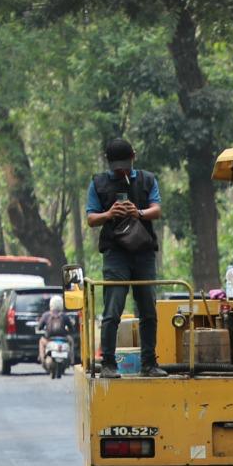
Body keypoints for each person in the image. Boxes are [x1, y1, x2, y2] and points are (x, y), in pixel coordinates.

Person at [83, 138, 162, 370]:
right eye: (117, 167)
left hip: (143, 253)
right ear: (108, 162)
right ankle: (108, 363)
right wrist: (109, 214)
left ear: (133, 157)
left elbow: (156, 210)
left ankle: (149, 363)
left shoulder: (147, 179)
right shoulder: (98, 183)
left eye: (125, 166)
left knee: (148, 309)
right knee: (113, 309)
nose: (122, 171)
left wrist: (138, 212)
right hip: (116, 255)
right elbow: (91, 218)